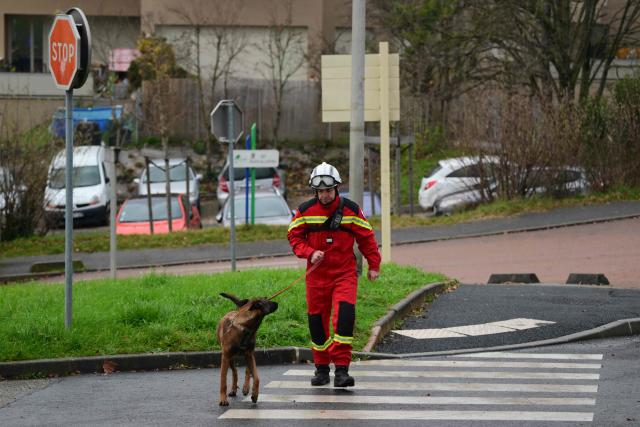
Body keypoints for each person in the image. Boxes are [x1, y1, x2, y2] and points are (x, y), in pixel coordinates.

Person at [287, 161, 381, 387]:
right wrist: (309, 252)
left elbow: (366, 237)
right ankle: (321, 369)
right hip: (316, 277)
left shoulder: (350, 210)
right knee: (317, 322)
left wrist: (374, 264)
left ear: (336, 188)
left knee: (344, 319)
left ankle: (341, 371)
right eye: (320, 191)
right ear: (315, 191)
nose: (325, 195)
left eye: (328, 190)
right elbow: (294, 236)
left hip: (344, 274)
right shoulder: (305, 211)